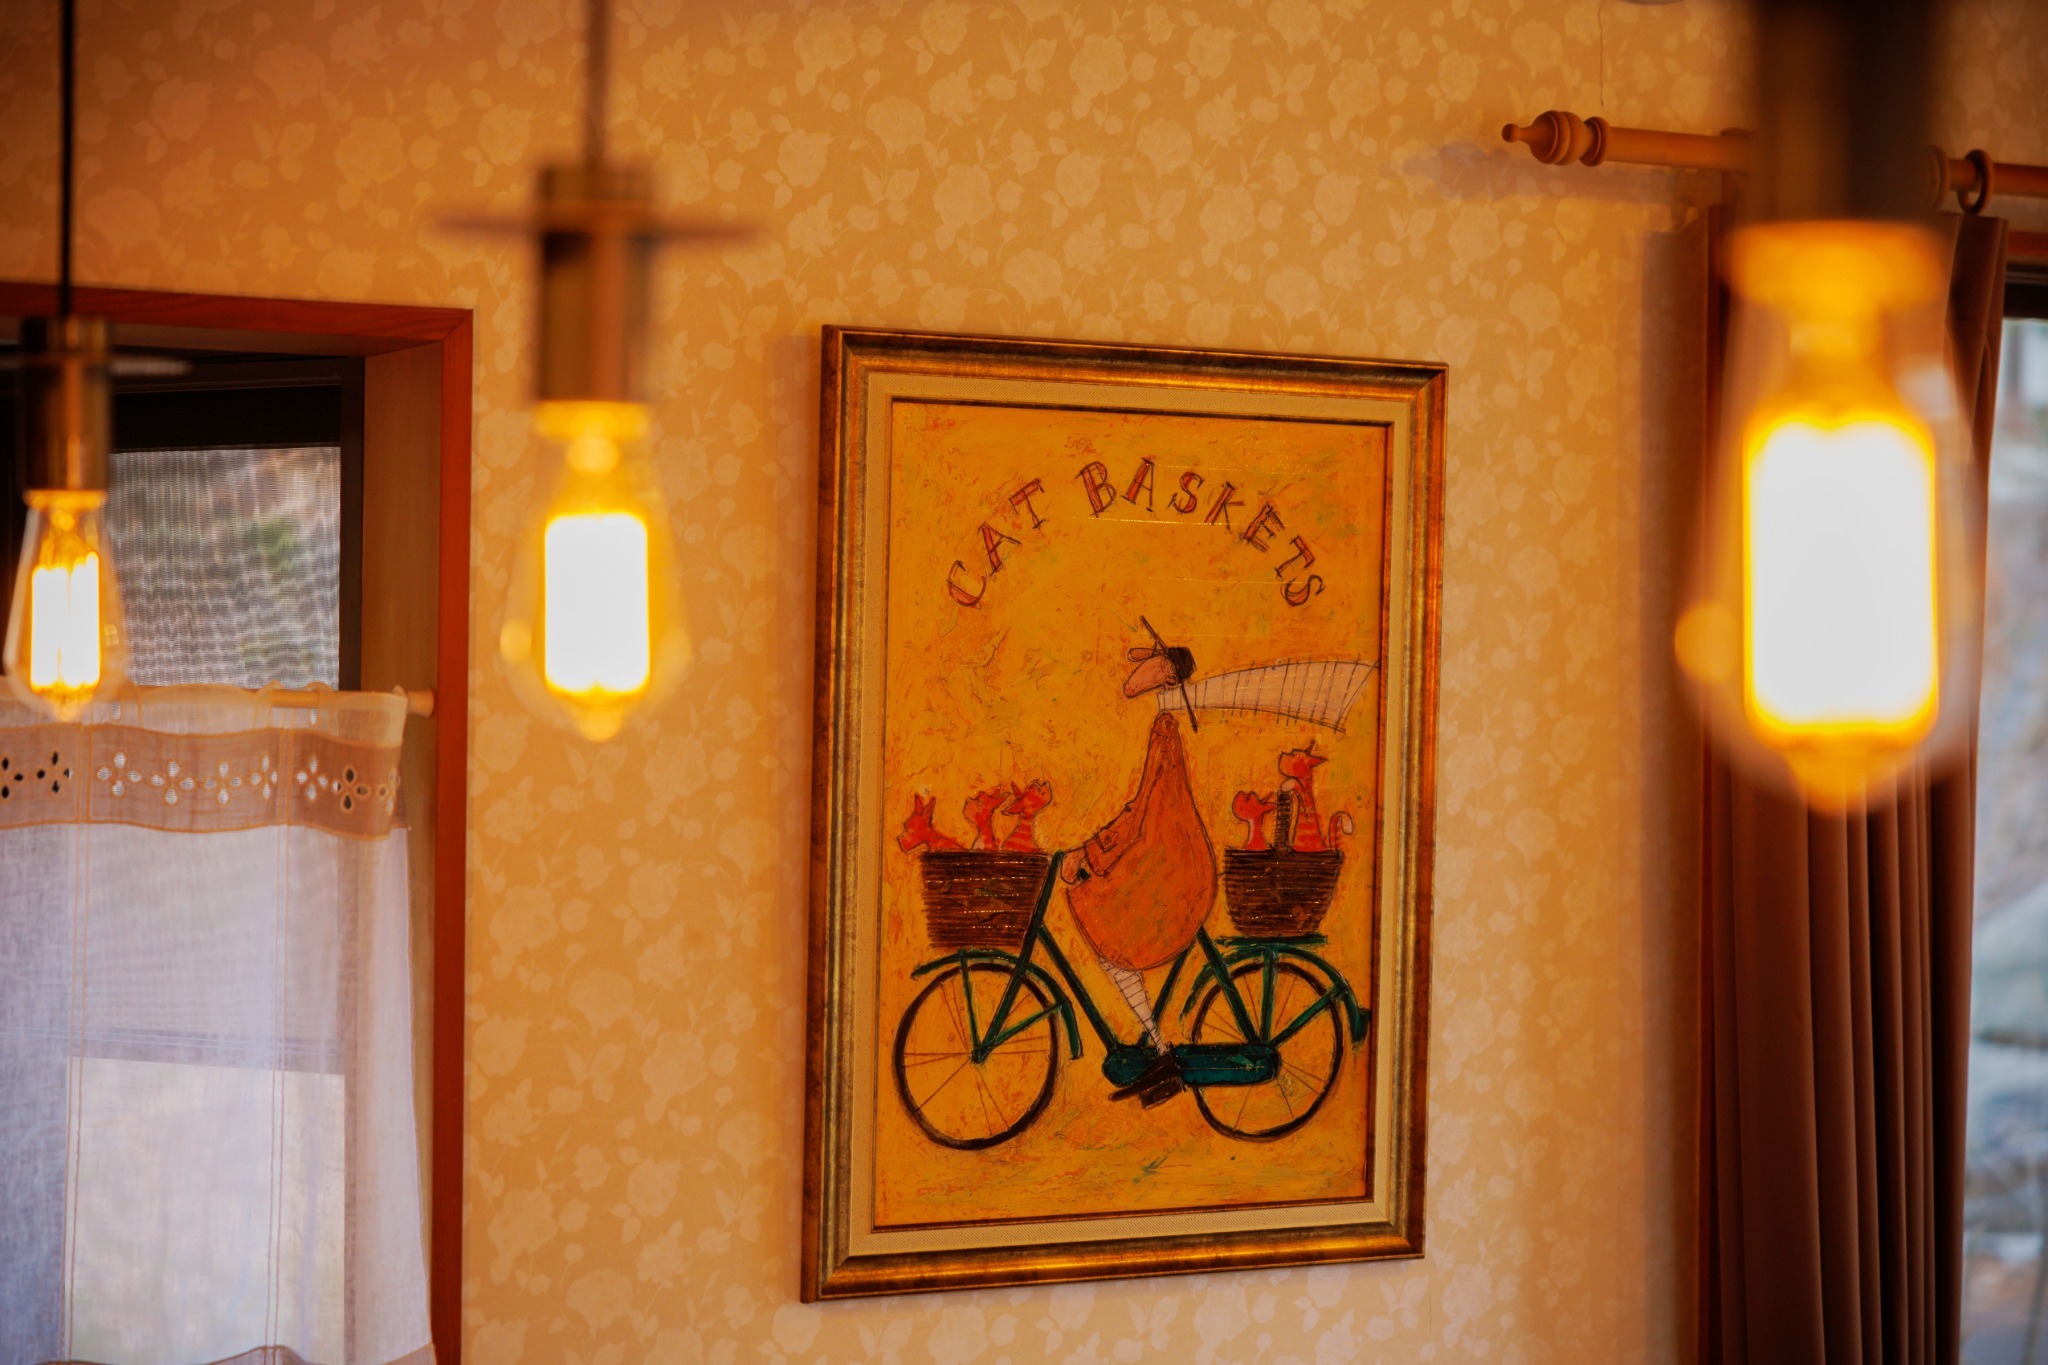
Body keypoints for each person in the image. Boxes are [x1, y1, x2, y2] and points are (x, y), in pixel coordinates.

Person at [1060, 630, 1217, 1107]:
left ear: (1167, 678)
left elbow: (1145, 812)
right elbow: (1143, 810)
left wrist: (1090, 851)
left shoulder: (1165, 727)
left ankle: (1160, 1049)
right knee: (1109, 930)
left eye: (1156, 666)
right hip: (1168, 857)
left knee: (1104, 921)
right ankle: (1156, 1046)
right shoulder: (1161, 723)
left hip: (1168, 864)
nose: (1141, 672)